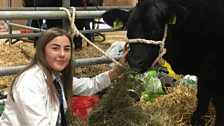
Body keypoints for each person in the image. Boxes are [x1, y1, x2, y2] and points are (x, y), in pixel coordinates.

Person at [0, 27, 130, 126]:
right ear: (42, 51)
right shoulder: (30, 82)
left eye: (67, 49)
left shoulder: (56, 78)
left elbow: (91, 85)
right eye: (55, 48)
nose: (62, 54)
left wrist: (117, 70)